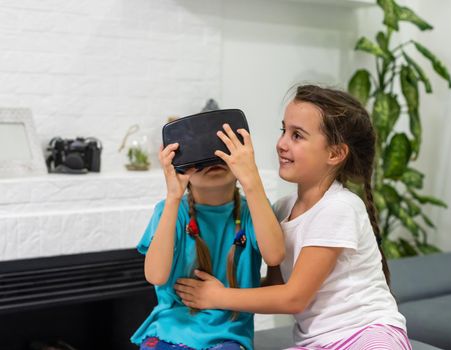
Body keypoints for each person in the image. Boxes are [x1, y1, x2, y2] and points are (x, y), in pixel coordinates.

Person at [175, 85, 411, 350]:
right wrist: (217, 287)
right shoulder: (281, 209)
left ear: (335, 154)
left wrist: (220, 297)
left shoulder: (339, 207)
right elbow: (277, 285)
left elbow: (294, 299)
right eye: (283, 130)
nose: (281, 144)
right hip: (317, 343)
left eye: (297, 135)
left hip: (368, 333)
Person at [131, 122, 285, 350]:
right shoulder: (172, 211)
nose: (213, 162)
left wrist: (251, 180)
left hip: (228, 336)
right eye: (201, 157)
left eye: (221, 153)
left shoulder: (253, 211)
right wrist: (173, 197)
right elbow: (155, 275)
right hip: (170, 332)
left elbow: (274, 256)